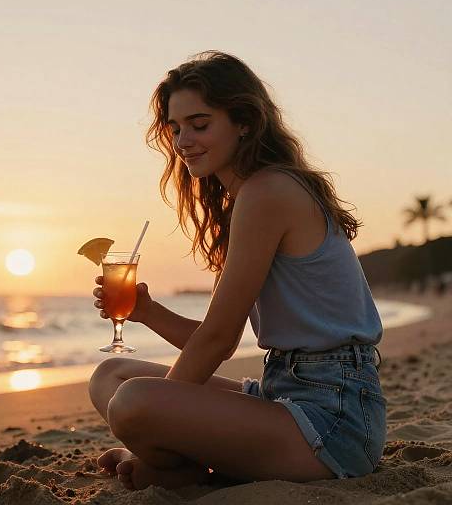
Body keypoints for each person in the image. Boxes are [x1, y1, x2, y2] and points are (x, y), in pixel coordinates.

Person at [88, 50, 386, 491]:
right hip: (281, 390)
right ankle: (186, 468)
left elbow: (218, 341)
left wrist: (147, 430)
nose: (183, 139)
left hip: (332, 419)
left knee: (132, 402)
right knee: (110, 377)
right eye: (175, 128)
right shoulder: (252, 196)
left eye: (200, 124)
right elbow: (214, 337)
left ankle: (182, 471)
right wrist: (147, 312)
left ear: (244, 121)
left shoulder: (268, 192)